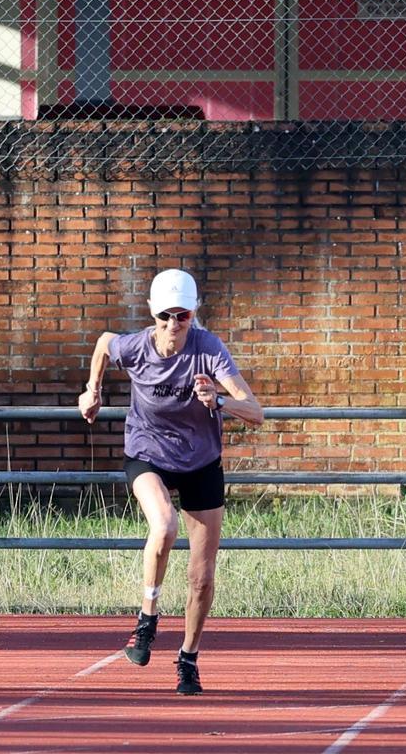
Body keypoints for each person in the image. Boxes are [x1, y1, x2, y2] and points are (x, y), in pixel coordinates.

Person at [78, 269, 263, 695]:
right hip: (148, 454)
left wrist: (217, 400)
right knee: (163, 525)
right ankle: (147, 619)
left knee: (201, 576)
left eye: (182, 316)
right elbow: (105, 343)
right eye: (165, 317)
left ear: (193, 314)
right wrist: (93, 391)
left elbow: (254, 410)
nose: (173, 326)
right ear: (152, 314)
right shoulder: (137, 347)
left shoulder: (209, 349)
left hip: (200, 461)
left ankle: (188, 658)